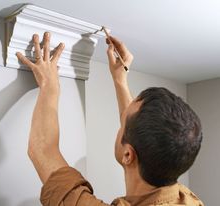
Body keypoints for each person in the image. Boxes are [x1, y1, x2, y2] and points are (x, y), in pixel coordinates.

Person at [16, 32, 204, 206]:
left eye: (122, 125)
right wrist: (120, 79)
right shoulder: (186, 199)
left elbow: (42, 150)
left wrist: (49, 85)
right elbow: (138, 130)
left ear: (128, 155)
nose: (122, 121)